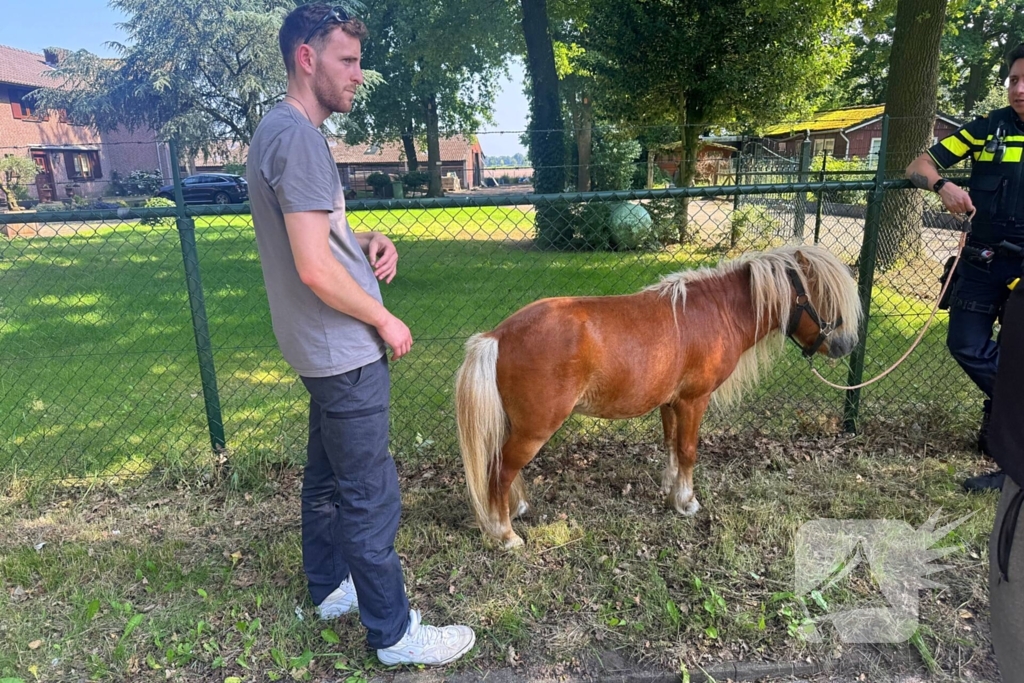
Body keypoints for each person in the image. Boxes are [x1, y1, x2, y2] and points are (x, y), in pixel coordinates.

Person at [246, 4, 475, 666]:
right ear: (307, 59)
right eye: (347, 61)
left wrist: (364, 237)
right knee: (370, 496)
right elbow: (315, 269)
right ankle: (395, 633)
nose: (358, 74)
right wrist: (383, 316)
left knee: (324, 480)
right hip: (343, 350)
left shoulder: (279, 130)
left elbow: (317, 240)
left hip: (316, 350)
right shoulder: (299, 137)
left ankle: (329, 588)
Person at [905, 43, 1024, 492]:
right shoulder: (987, 128)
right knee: (965, 344)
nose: (1019, 88)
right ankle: (1010, 407)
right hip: (981, 261)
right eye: (1014, 79)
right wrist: (942, 185)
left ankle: (1011, 460)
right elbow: (919, 163)